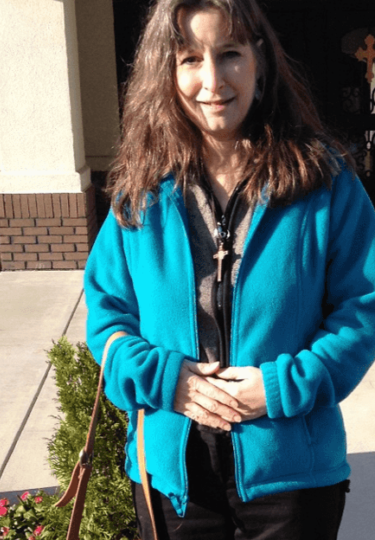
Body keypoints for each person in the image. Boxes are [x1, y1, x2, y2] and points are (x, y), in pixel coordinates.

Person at [85, 0, 375, 539]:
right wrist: (167, 382)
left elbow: (364, 308)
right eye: (190, 58)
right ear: (166, 72)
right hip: (173, 482)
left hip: (292, 481)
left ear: (259, 62)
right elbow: (107, 322)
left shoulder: (324, 183)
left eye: (229, 54)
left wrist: (281, 386)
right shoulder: (140, 191)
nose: (212, 79)